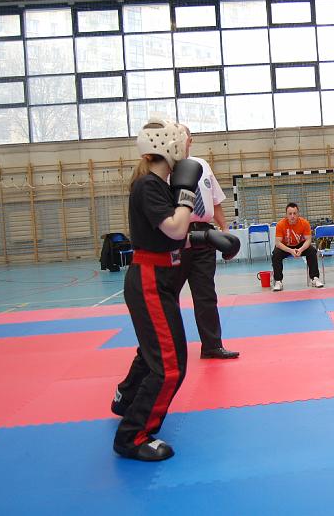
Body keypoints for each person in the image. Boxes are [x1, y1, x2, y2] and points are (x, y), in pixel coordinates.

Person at [110, 118, 240, 462]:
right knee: (169, 366)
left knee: (154, 352)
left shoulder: (156, 184)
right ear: (169, 146)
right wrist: (185, 197)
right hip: (150, 280)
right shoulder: (148, 186)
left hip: (159, 277)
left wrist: (208, 237)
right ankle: (132, 436)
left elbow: (174, 237)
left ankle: (126, 399)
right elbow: (174, 228)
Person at [174, 126, 239, 360]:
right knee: (169, 294)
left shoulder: (202, 165)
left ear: (190, 140)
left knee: (206, 294)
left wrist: (225, 230)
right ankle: (168, 347)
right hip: (177, 236)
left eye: (183, 136)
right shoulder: (167, 168)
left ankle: (212, 345)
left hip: (205, 235)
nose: (180, 139)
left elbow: (215, 201)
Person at [270, 202, 324, 291]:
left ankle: (315, 278)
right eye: (290, 214)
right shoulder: (280, 224)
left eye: (294, 213)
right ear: (286, 215)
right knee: (276, 253)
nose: (292, 216)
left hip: (300, 244)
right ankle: (278, 281)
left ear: (298, 214)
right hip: (285, 246)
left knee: (312, 251)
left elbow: (308, 240)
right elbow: (278, 243)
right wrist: (290, 250)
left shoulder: (304, 223)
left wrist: (301, 249)